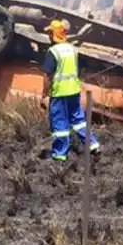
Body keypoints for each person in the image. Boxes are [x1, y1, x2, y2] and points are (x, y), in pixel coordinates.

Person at [41, 19, 100, 161]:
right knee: (79, 120)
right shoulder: (73, 49)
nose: (48, 36)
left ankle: (60, 154)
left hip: (59, 93)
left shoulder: (53, 52)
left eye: (49, 33)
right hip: (74, 91)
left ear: (52, 34)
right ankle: (93, 144)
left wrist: (44, 93)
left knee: (59, 124)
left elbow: (47, 76)